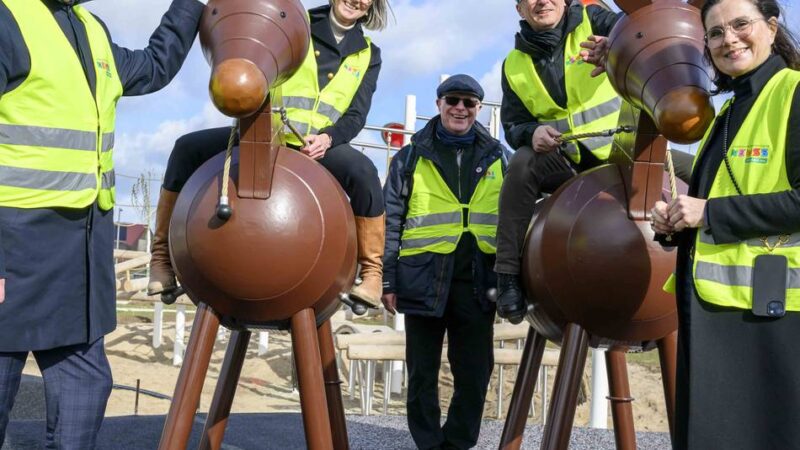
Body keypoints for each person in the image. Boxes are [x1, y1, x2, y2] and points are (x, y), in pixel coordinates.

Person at [0, 0, 205, 447]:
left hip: (78, 258)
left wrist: (190, 4)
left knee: (87, 390)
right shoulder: (7, 17)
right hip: (11, 249)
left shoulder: (92, 29)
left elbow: (154, 66)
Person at [147, 0, 390, 309]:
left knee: (364, 172)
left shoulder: (369, 54)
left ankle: (371, 271)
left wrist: (328, 138)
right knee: (186, 148)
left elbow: (357, 114)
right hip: (265, 132)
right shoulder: (294, 24)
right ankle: (161, 259)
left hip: (317, 145)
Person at [649, 1, 800, 448]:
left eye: (740, 25)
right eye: (715, 33)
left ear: (771, 29)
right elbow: (711, 203)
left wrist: (709, 213)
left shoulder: (793, 93)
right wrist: (676, 221)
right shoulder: (731, 109)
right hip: (719, 312)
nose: (728, 39)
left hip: (772, 319)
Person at [381, 75, 510, 450]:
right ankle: (427, 443)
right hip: (422, 279)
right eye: (453, 100)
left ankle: (457, 443)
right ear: (438, 104)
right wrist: (388, 281)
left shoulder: (500, 156)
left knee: (474, 373)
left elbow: (516, 217)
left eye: (469, 103)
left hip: (476, 282)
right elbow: (391, 220)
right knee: (422, 372)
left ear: (479, 110)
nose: (460, 108)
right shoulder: (410, 156)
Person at [492, 0, 622, 324]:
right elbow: (512, 125)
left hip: (622, 149)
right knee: (521, 163)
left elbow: (639, 34)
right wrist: (531, 131)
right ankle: (507, 275)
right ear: (520, 9)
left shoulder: (594, 20)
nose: (542, 2)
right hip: (566, 160)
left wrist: (617, 48)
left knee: (695, 170)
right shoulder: (513, 64)